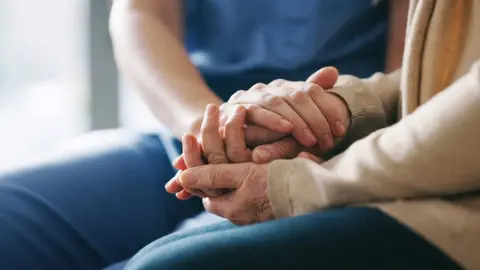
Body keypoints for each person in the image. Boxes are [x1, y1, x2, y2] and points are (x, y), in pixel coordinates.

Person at [0, 0, 406, 269]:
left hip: (329, 155)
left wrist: (317, 130)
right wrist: (206, 127)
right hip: (183, 137)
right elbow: (141, 14)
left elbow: (414, 73)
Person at [125, 0, 480, 269]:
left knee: (161, 264)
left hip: (369, 163)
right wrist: (342, 106)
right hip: (216, 131)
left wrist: (295, 182)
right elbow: (437, 74)